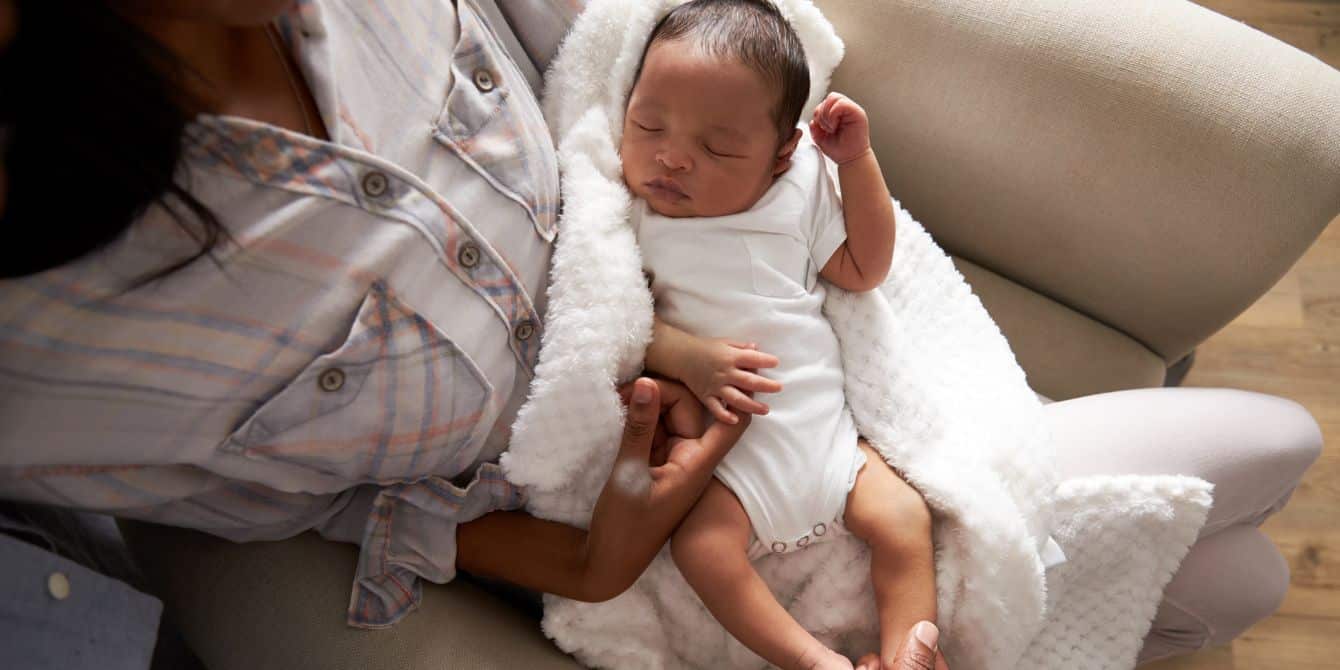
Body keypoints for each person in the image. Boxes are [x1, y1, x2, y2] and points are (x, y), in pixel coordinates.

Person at [0, 1, 1318, 669]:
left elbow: (846, 255)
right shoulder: (57, 359)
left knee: (1244, 533)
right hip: (633, 501)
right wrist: (586, 556)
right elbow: (317, 506)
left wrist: (826, 167)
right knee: (1249, 510)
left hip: (794, 371)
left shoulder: (664, 136)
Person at [623, 2, 936, 668]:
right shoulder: (629, 214)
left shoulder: (796, 192)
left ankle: (909, 655)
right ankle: (815, 662)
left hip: (826, 441)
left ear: (780, 154)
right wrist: (687, 356)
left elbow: (864, 267)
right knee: (703, 549)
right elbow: (611, 319)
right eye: (648, 125)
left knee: (905, 519)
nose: (672, 158)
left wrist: (856, 165)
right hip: (729, 464)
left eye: (718, 147)